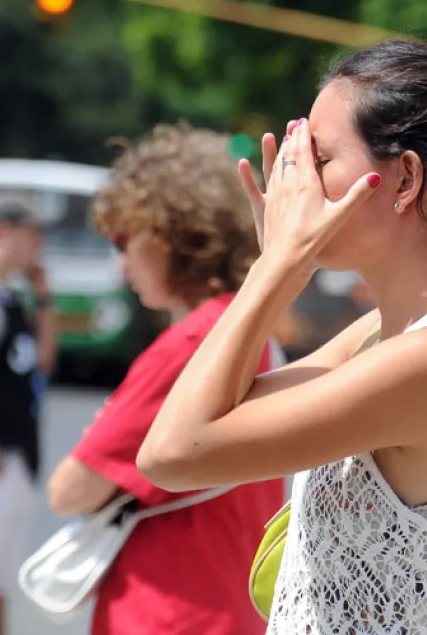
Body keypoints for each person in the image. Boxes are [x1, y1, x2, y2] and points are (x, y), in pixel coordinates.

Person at [138, 42, 427, 634]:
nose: (296, 183)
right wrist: (282, 268)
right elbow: (217, 412)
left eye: (318, 159)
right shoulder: (381, 335)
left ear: (406, 178)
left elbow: (172, 454)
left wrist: (276, 268)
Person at [46, 124, 285, 635]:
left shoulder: (190, 345)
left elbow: (69, 491)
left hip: (166, 609)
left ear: (169, 236)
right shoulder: (249, 327)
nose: (120, 259)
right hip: (231, 600)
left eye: (123, 238)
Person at [0, 204, 56, 635]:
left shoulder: (8, 295)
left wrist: (42, 297)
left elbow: (41, 362)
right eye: (34, 233)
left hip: (16, 458)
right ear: (4, 230)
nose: (40, 246)